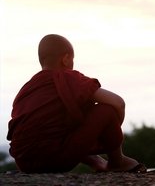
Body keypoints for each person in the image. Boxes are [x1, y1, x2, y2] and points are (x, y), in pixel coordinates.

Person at [7, 34, 146, 173]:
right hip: (55, 160)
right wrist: (109, 136)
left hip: (24, 163)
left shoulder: (26, 89)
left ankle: (97, 161)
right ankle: (117, 162)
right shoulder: (67, 77)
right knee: (106, 110)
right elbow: (118, 103)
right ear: (66, 59)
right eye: (72, 60)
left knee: (72, 119)